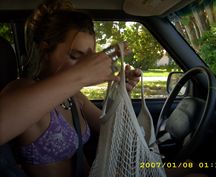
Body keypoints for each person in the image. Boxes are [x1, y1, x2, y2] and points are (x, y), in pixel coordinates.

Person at [0, 0, 141, 177]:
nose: (84, 66)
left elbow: (108, 129)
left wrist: (119, 92)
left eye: (88, 60)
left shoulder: (75, 96)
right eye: (75, 56)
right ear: (45, 50)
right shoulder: (21, 89)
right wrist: (83, 74)